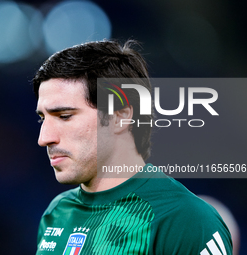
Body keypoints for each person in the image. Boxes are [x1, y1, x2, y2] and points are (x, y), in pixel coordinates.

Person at [33, 40, 232, 254]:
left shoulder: (185, 220)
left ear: (120, 115)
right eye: (42, 118)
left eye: (64, 116)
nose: (44, 138)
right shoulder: (56, 214)